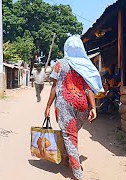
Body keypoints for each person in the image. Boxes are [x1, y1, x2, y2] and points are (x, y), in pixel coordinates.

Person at [44, 35, 104, 180]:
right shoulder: (85, 64)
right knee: (71, 133)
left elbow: (54, 87)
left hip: (65, 104)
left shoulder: (60, 64)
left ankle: (77, 174)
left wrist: (47, 106)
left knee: (69, 136)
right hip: (82, 105)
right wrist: (93, 107)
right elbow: (88, 88)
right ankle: (66, 157)